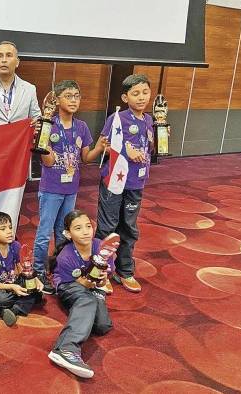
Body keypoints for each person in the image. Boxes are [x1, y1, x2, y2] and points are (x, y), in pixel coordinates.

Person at [32, 80, 108, 295]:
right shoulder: (48, 124)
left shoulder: (82, 126)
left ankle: (58, 266)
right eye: (68, 96)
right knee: (45, 233)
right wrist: (43, 145)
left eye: (77, 96)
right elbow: (47, 162)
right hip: (51, 188)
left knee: (64, 233)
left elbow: (86, 158)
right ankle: (38, 271)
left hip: (71, 189)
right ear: (56, 100)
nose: (73, 100)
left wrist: (101, 148)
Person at [96, 74, 153, 293]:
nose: (141, 98)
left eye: (145, 92)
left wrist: (161, 137)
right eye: (135, 93)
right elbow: (105, 147)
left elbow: (149, 149)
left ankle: (125, 271)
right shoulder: (118, 118)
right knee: (108, 227)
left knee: (129, 228)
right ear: (125, 96)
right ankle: (101, 271)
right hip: (114, 182)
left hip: (136, 183)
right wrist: (124, 150)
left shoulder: (149, 120)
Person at [47, 210, 114, 379]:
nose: (85, 231)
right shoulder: (65, 256)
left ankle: (80, 313)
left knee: (102, 326)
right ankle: (66, 348)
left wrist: (101, 280)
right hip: (69, 286)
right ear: (68, 234)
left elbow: (105, 278)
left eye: (88, 226)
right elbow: (80, 284)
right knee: (87, 298)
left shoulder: (102, 247)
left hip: (91, 287)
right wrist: (94, 281)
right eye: (78, 228)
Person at [0, 211, 43, 326]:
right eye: (3, 229)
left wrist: (35, 280)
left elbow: (22, 269)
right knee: (1, 299)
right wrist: (12, 287)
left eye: (10, 227)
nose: (9, 231)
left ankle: (12, 311)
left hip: (12, 281)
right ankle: (7, 307)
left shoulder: (15, 245)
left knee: (35, 290)